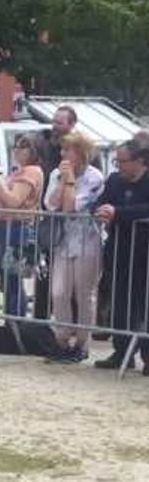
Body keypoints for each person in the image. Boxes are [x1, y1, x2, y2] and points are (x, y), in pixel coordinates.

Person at [44, 132, 104, 364]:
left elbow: (71, 206)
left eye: (68, 150)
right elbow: (50, 204)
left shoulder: (94, 177)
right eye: (62, 150)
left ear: (81, 153)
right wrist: (62, 180)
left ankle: (82, 343)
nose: (63, 154)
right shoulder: (55, 174)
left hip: (87, 241)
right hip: (62, 241)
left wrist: (69, 180)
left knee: (84, 294)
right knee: (59, 292)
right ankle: (62, 338)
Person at [93, 138, 149, 372]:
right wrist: (102, 211)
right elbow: (99, 203)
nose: (119, 166)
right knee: (119, 302)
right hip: (118, 249)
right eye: (116, 161)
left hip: (145, 251)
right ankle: (121, 352)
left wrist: (119, 213)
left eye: (122, 161)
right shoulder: (115, 180)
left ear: (141, 161)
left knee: (144, 305)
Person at [0, 134, 45, 319]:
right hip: (3, 224)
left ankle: (16, 319)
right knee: (6, 276)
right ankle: (11, 319)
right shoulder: (18, 171)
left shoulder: (32, 171)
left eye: (22, 147)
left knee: (12, 276)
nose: (16, 151)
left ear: (33, 150)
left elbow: (13, 201)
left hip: (17, 226)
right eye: (15, 147)